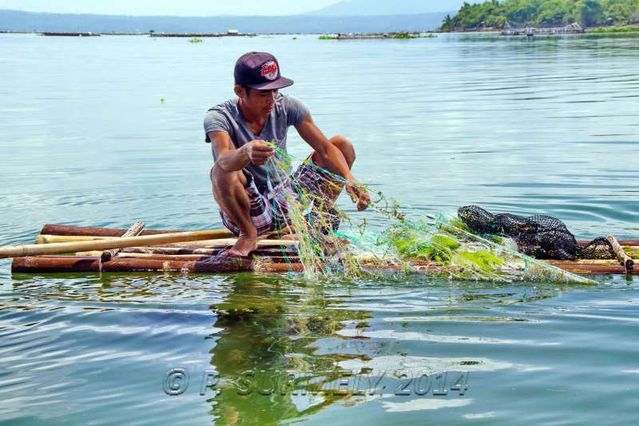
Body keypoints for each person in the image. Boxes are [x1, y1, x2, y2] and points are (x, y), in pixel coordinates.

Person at [204, 51, 370, 257]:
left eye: (275, 91)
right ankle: (248, 235)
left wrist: (350, 179)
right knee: (221, 170)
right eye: (263, 94)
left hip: (287, 200)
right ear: (240, 91)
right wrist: (246, 152)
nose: (272, 100)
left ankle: (317, 227)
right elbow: (223, 159)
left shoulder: (288, 106)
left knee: (341, 145)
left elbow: (326, 149)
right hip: (249, 210)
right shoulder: (219, 117)